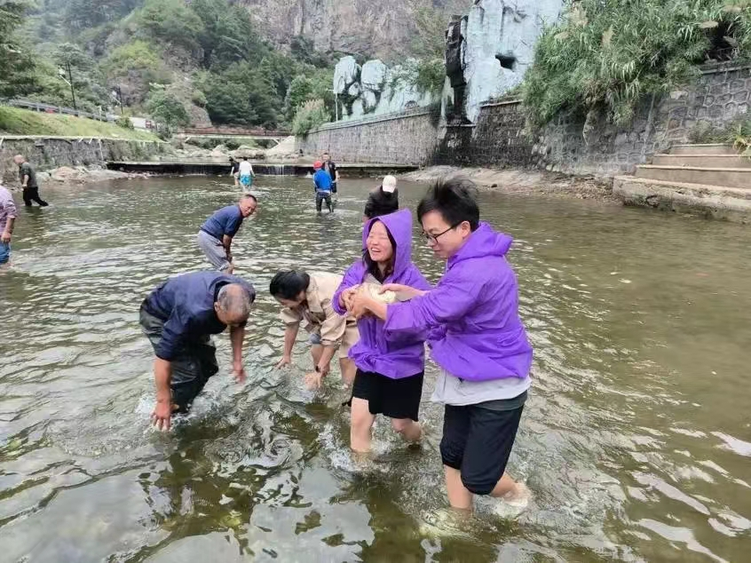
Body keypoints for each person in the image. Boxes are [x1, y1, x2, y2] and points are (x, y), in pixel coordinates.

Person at [349, 177, 533, 511]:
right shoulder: (468, 259)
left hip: (496, 385)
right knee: (451, 454)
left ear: (463, 228)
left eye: (435, 234)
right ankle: (461, 521)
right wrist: (408, 294)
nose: (430, 242)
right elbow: (446, 302)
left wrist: (372, 301)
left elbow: (429, 316)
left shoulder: (477, 269)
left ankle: (518, 492)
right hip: (467, 373)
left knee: (479, 478)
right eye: (425, 235)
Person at [333, 209, 431, 453]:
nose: (374, 242)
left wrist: (379, 307)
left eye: (382, 237)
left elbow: (424, 322)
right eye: (371, 235)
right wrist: (344, 297)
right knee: (358, 421)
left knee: (402, 426)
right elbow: (339, 297)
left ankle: (420, 441)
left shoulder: (412, 278)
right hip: (369, 357)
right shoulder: (359, 270)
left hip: (403, 362)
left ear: (397, 243)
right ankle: (362, 477)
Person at [140, 271, 256, 430]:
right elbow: (163, 358)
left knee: (208, 366)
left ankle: (185, 398)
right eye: (230, 322)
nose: (234, 326)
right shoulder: (193, 312)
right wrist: (163, 400)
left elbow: (239, 325)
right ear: (217, 307)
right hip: (158, 316)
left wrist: (237, 361)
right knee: (189, 374)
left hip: (190, 313)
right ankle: (173, 415)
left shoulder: (245, 293)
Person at [271, 270, 358, 389]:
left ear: (299, 295)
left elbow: (331, 339)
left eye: (283, 302)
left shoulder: (328, 297)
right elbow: (291, 323)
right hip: (323, 320)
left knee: (346, 359)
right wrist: (286, 355)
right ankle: (322, 384)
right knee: (316, 352)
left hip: (353, 316)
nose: (282, 305)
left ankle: (349, 393)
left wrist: (318, 370)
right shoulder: (296, 294)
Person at [197, 194, 257, 274]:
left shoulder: (234, 211)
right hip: (209, 238)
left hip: (208, 236)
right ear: (241, 203)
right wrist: (228, 252)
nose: (249, 211)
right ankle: (225, 285)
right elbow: (227, 238)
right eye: (248, 207)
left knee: (225, 265)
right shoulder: (236, 215)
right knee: (226, 267)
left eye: (252, 210)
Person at [0, 184, 17, 270]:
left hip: (1, 234)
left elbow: (12, 213)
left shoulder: (2, 192)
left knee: (2, 261)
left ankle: (6, 280)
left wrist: (7, 231)